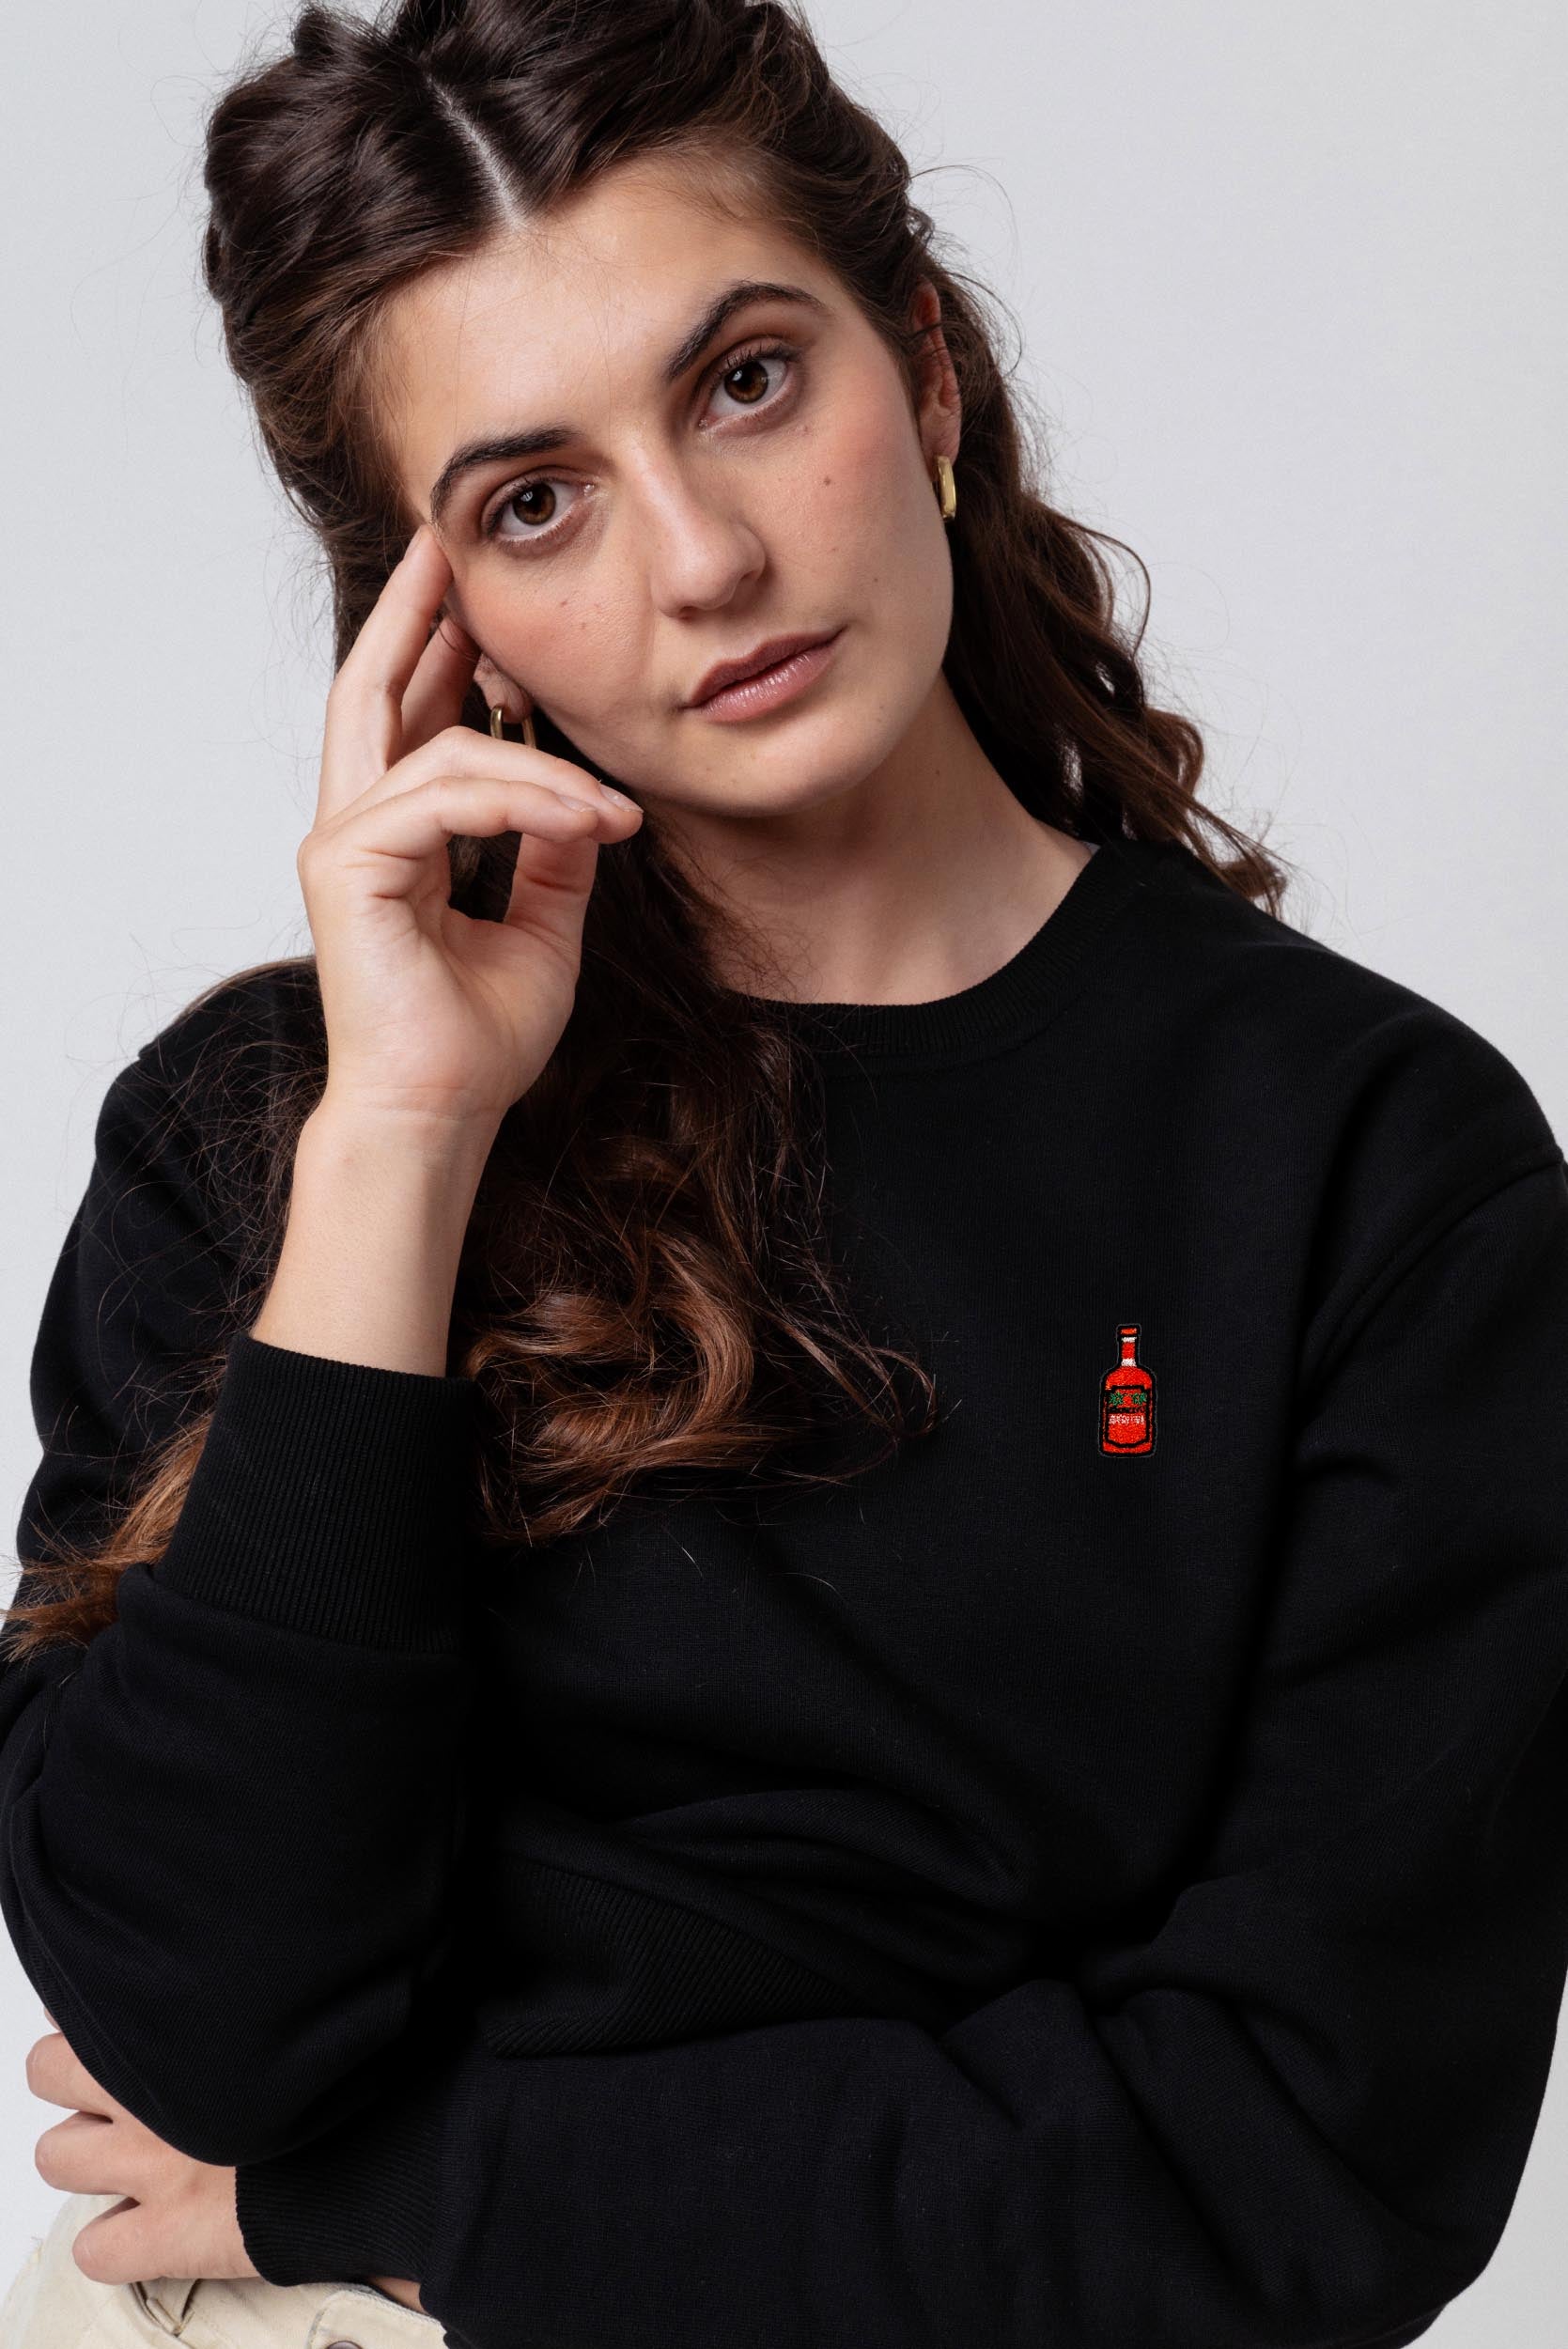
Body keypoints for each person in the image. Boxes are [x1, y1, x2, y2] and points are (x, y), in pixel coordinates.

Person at [4, 1, 1566, 2344]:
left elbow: (1306, 2153)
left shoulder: (1366, 1158)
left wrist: (418, 2176)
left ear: (922, 369)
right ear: (439, 622)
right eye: (533, 502)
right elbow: (201, 2021)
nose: (708, 558)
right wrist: (405, 1141)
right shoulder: (280, 1124)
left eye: (744, 381)